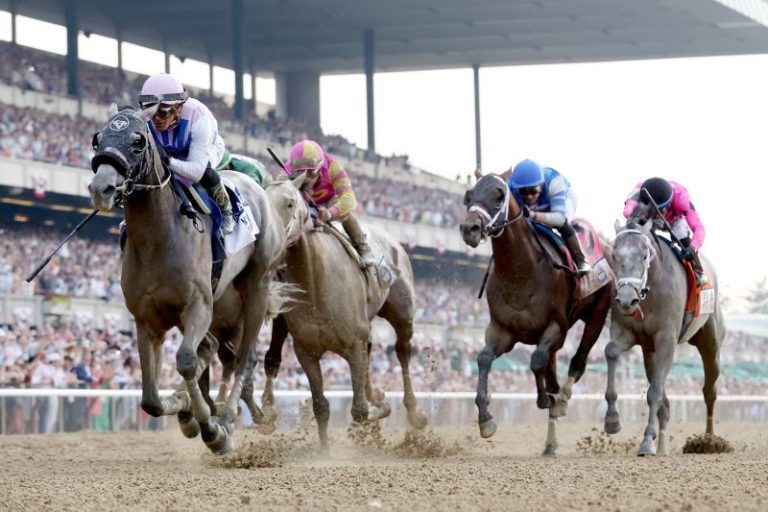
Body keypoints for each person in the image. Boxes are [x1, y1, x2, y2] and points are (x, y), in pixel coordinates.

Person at [138, 73, 235, 234]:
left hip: (205, 150)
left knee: (206, 172)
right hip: (170, 153)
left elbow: (195, 172)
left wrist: (168, 162)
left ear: (179, 107)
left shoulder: (199, 117)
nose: (156, 119)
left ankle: (227, 211)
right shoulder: (145, 119)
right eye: (151, 111)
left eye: (163, 112)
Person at [282, 139, 376, 267]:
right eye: (301, 172)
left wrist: (330, 213)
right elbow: (279, 193)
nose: (307, 177)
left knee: (344, 211)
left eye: (311, 172)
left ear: (320, 166)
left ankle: (363, 247)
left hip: (329, 202)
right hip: (302, 202)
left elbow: (349, 199)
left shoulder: (333, 167)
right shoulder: (287, 169)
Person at [506, 159, 592, 275]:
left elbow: (560, 219)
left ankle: (580, 259)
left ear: (541, 185)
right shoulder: (512, 185)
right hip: (536, 207)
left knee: (562, 224)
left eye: (533, 191)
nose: (529, 196)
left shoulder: (555, 183)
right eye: (523, 192)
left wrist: (533, 215)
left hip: (563, 201)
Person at [623, 177, 707, 285]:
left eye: (658, 211)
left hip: (675, 220)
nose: (655, 215)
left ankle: (698, 270)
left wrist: (692, 247)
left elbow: (699, 228)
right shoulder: (638, 192)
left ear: (668, 205)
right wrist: (645, 219)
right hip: (646, 216)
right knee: (633, 227)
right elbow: (627, 212)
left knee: (682, 235)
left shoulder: (682, 200)